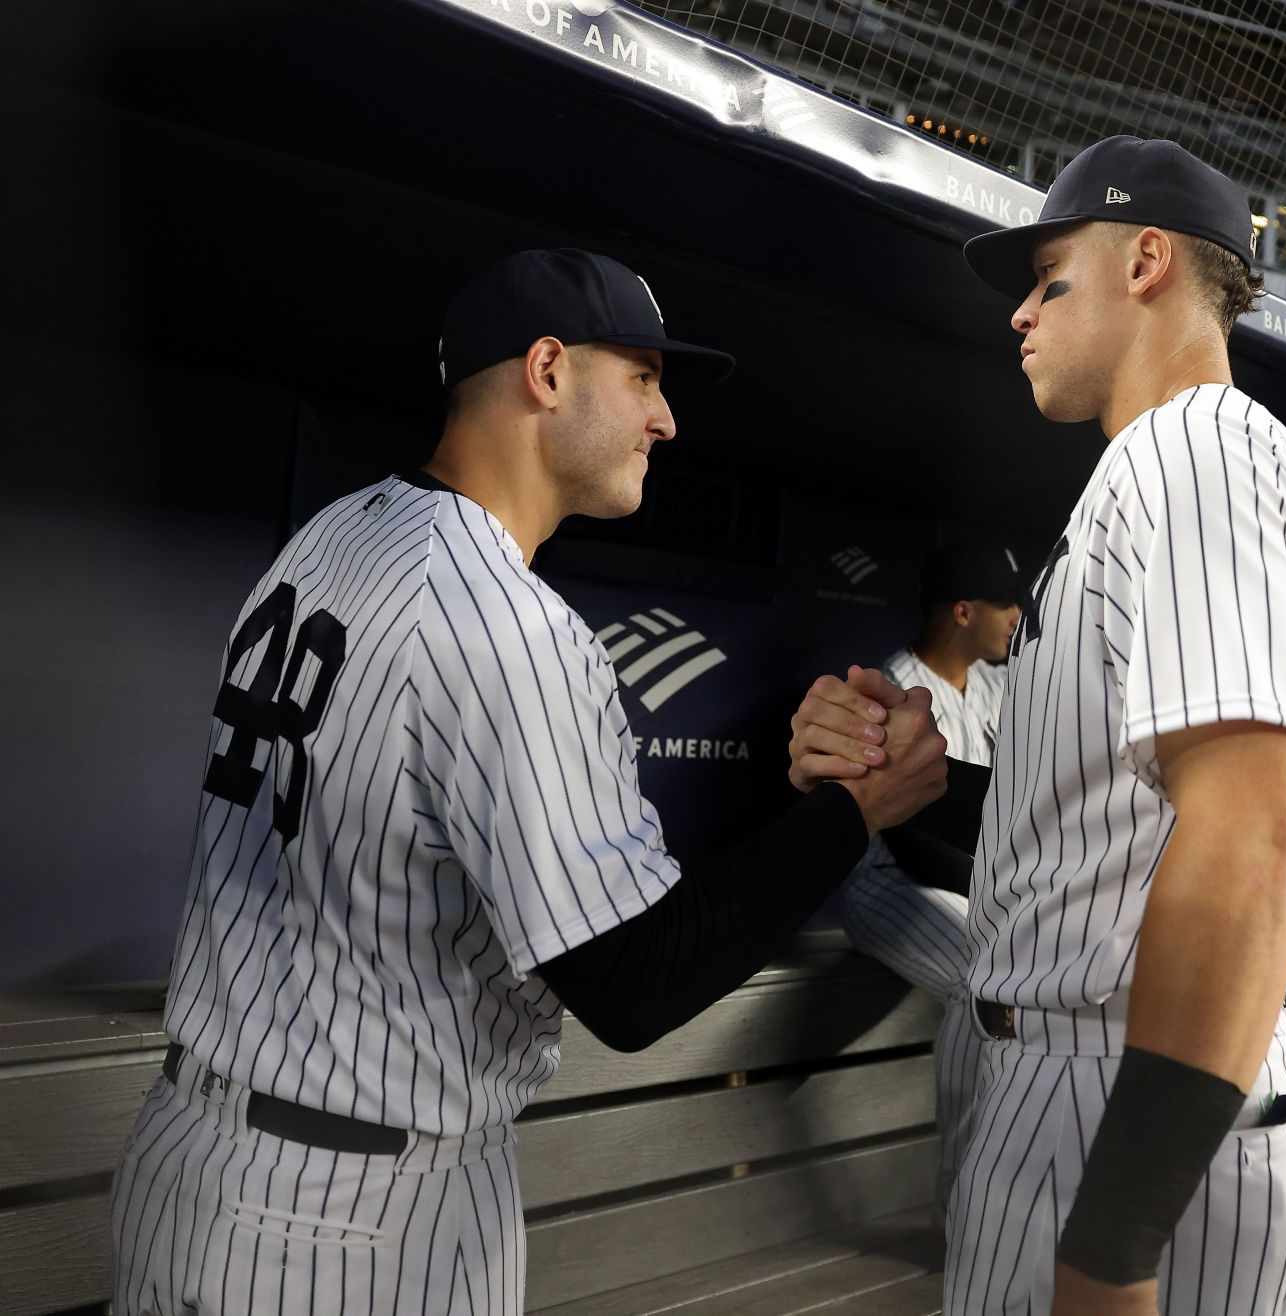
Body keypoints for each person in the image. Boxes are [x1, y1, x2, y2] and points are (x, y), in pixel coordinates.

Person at [108, 248, 950, 1316]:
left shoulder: (328, 535)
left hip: (190, 1154)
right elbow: (636, 981)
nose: (668, 421)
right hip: (350, 1218)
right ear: (548, 372)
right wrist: (854, 811)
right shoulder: (510, 626)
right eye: (645, 378)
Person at [940, 133, 1286, 1316]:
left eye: (1047, 277)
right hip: (1175, 1075)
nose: (1020, 313)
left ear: (1146, 260)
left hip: (1129, 1094)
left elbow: (1255, 835)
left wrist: (1117, 1235)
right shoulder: (1164, 466)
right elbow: (1117, 819)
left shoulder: (1194, 447)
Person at [839, 542, 1024, 1222]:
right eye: (1003, 603)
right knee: (987, 980)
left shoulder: (999, 686)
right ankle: (963, 1200)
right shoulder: (901, 686)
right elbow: (914, 845)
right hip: (891, 884)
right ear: (963, 610)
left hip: (974, 887)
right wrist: (1012, 897)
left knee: (1024, 976)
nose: (1016, 615)